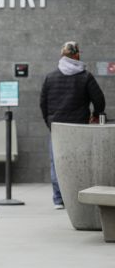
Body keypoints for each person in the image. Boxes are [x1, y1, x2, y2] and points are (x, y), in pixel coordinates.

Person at [40, 41, 105, 210]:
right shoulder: (85, 76)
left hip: (57, 127)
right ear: (76, 55)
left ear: (62, 56)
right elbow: (99, 100)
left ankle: (59, 199)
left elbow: (43, 104)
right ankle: (78, 196)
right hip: (79, 127)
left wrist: (50, 123)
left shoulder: (50, 77)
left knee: (56, 162)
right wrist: (96, 115)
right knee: (80, 163)